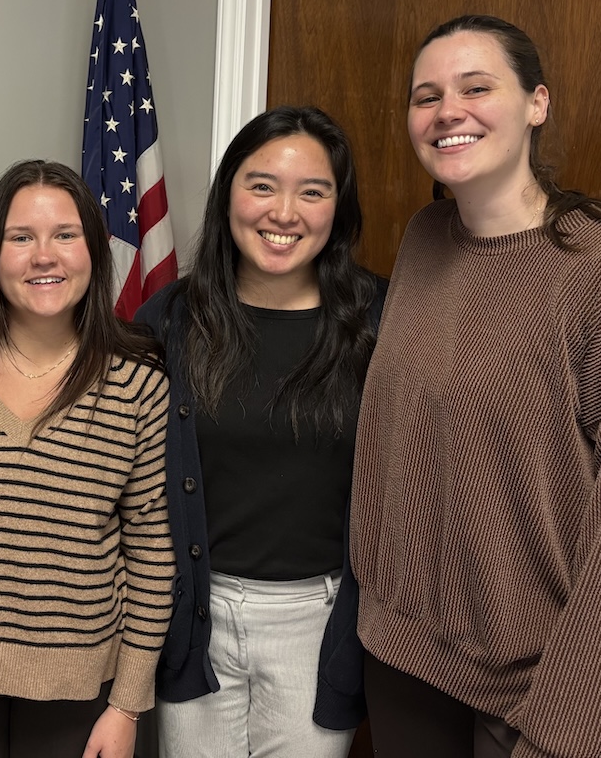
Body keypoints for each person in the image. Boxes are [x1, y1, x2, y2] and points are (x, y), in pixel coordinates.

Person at [351, 14, 601, 758]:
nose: (448, 111)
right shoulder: (422, 238)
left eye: (477, 88)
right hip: (400, 661)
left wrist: (572, 729)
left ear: (537, 103)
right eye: (427, 95)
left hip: (536, 695)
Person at [0, 159, 175, 758]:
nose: (43, 255)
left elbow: (152, 550)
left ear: (95, 253)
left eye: (65, 236)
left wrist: (127, 704)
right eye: (20, 237)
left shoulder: (138, 382)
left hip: (78, 685)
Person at [135, 105, 386, 757]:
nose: (284, 212)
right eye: (262, 185)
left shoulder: (382, 321)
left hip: (320, 621)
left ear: (339, 208)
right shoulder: (170, 320)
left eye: (313, 191)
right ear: (228, 197)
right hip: (193, 619)